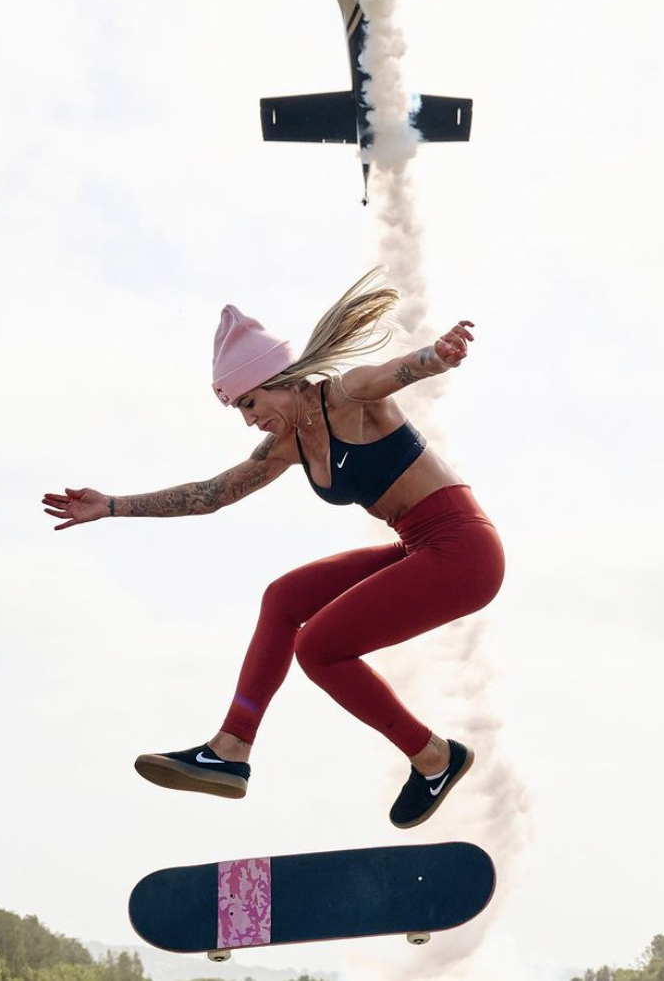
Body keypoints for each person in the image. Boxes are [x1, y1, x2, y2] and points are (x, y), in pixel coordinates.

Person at [42, 272, 505, 829]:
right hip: (419, 546)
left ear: (280, 379)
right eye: (239, 409)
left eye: (251, 402)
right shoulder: (287, 443)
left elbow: (396, 371)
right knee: (285, 597)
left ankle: (433, 756)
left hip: (463, 550)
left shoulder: (347, 394)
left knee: (319, 648)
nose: (249, 419)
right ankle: (231, 750)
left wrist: (438, 354)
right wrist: (114, 505)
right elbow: (212, 495)